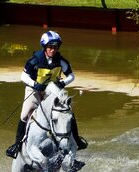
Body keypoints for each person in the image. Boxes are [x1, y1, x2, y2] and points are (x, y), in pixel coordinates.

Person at [6, 30, 88, 159]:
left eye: (55, 47)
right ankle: (17, 144)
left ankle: (77, 140)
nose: (53, 50)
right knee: (24, 113)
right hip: (35, 90)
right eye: (50, 47)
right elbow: (23, 76)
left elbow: (71, 76)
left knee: (67, 112)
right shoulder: (35, 60)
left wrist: (63, 83)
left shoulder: (61, 61)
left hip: (52, 91)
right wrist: (34, 84)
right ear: (44, 47)